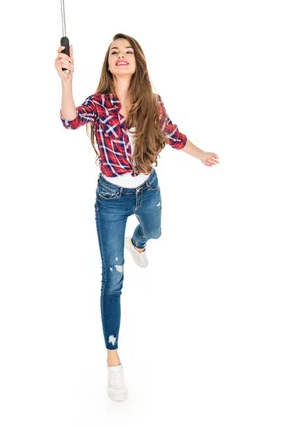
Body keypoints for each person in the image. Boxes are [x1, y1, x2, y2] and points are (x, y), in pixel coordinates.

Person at [55, 33, 219, 402]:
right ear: (108, 64)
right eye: (115, 51)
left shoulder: (151, 103)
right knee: (112, 279)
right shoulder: (99, 103)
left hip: (148, 191)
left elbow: (173, 136)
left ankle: (139, 242)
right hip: (111, 200)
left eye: (128, 51)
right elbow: (70, 120)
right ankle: (113, 361)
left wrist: (201, 154)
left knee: (156, 232)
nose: (121, 55)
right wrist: (66, 81)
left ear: (138, 61)